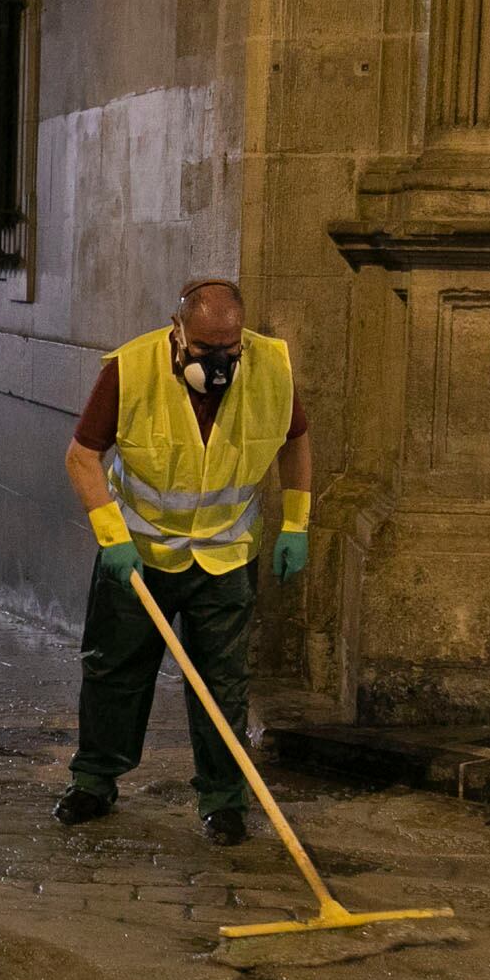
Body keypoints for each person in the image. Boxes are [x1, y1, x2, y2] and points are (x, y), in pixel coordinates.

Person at [57, 277, 311, 846]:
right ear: (178, 332)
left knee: (223, 684)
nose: (217, 362)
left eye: (229, 349)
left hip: (225, 555)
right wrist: (111, 536)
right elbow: (82, 456)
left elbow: (296, 439)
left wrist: (297, 524)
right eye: (203, 350)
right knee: (114, 671)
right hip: (141, 556)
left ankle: (223, 799)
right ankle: (94, 781)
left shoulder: (271, 368)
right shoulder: (131, 370)